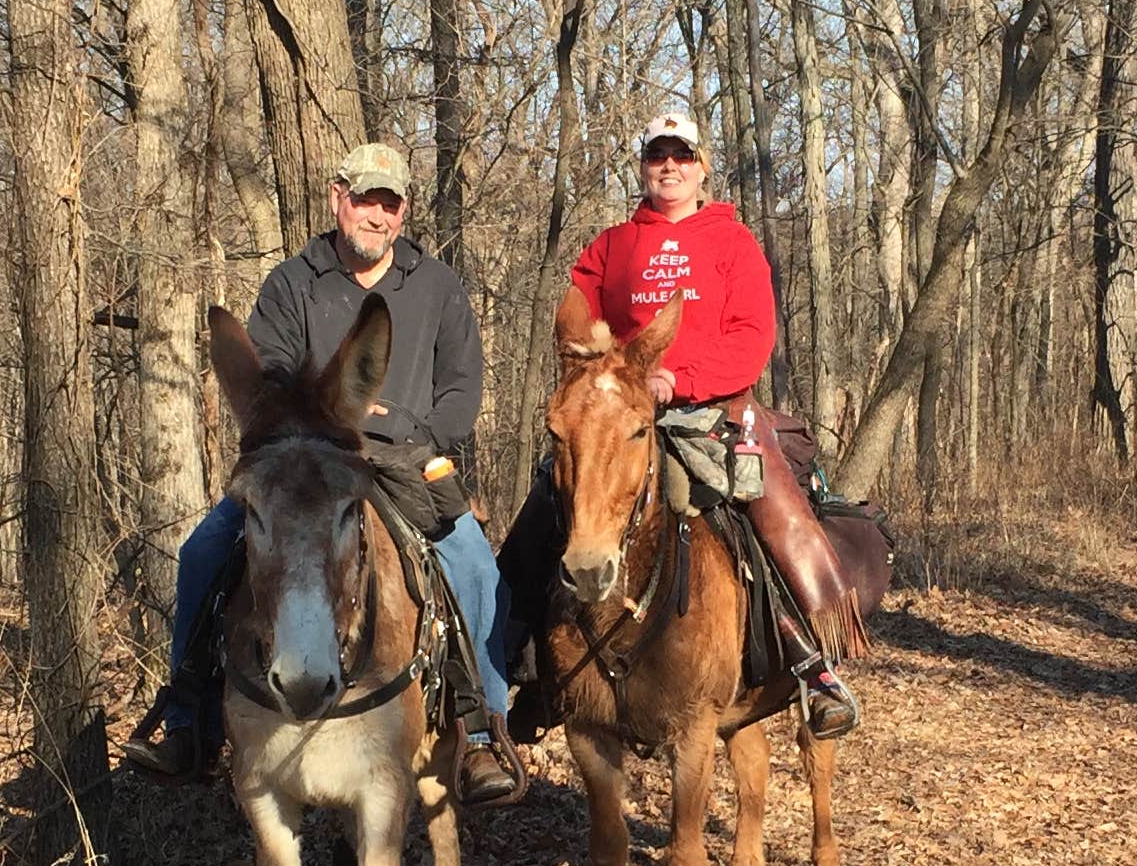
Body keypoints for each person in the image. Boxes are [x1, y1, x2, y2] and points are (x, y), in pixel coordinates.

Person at [123, 143, 523, 807]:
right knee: (202, 553)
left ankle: (481, 731)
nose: (377, 215)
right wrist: (313, 431)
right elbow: (268, 381)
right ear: (339, 198)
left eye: (389, 203)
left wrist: (420, 439)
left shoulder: (438, 287)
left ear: (404, 211)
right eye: (365, 199)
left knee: (476, 567)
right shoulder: (291, 282)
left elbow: (461, 391)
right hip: (308, 464)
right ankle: (188, 721)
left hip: (409, 461)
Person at [503, 110, 860, 739]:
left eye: (682, 155)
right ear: (643, 166)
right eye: (657, 155)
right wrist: (603, 373)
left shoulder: (733, 243)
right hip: (619, 409)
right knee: (544, 510)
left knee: (765, 504)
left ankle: (813, 661)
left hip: (714, 408)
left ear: (702, 168)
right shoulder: (612, 246)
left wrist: (680, 378)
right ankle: (521, 669)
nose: (669, 166)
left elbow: (753, 338)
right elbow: (579, 318)